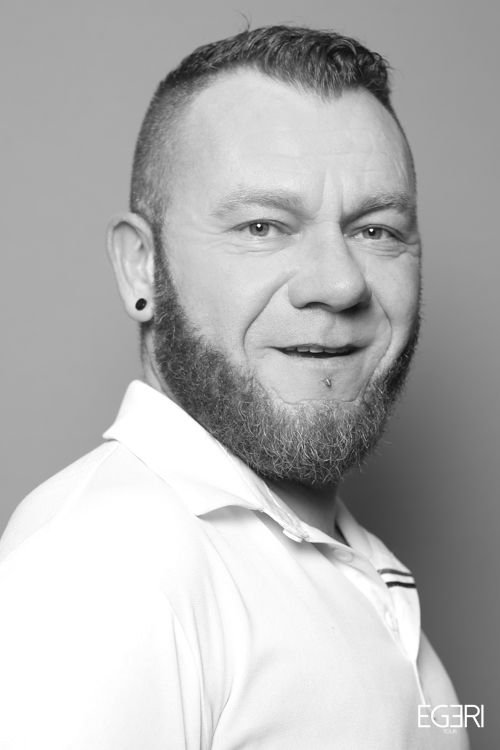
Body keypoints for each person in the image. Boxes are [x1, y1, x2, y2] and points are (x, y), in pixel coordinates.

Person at [0, 25, 468, 749]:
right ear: (141, 267)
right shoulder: (106, 569)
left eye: (376, 231)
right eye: (262, 226)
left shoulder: (347, 564)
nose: (339, 284)